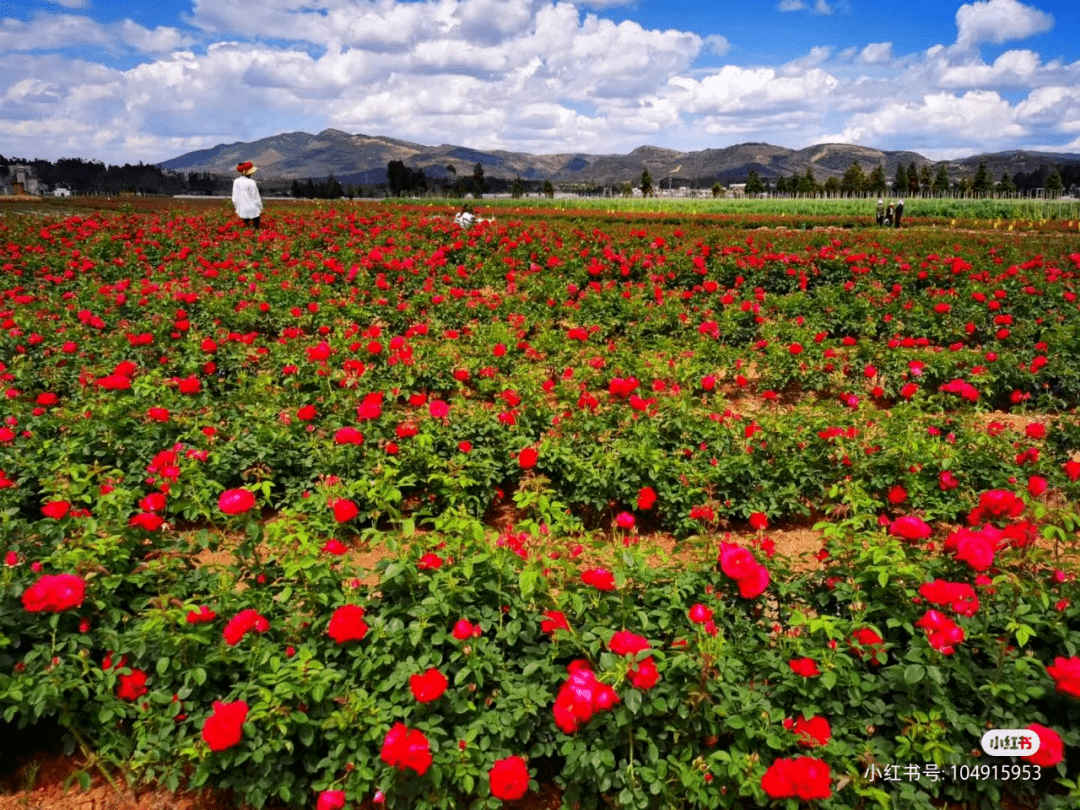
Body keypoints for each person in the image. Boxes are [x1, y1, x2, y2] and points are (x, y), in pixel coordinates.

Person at [232, 162, 263, 230]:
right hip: (253, 209)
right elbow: (256, 198)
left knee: (245, 229)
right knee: (256, 228)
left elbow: (234, 198)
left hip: (242, 209)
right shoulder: (251, 182)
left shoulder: (236, 182)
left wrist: (237, 208)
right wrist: (260, 208)